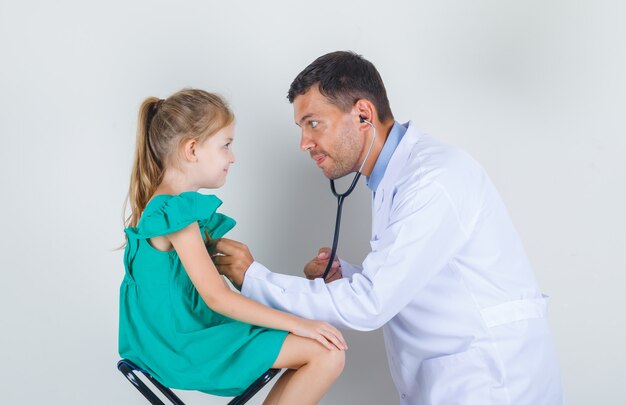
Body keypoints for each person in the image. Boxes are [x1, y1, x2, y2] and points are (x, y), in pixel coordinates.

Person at [211, 52, 565, 404]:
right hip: (460, 378)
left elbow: (372, 303)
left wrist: (253, 278)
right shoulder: (394, 178)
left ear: (363, 114)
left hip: (492, 381)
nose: (304, 142)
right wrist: (344, 276)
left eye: (313, 123)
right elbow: (415, 278)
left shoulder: (432, 179)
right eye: (301, 128)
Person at [118, 88, 347, 405]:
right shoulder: (174, 213)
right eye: (225, 145)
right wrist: (300, 323)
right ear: (193, 149)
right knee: (326, 353)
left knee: (324, 350)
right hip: (180, 347)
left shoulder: (168, 210)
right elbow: (217, 297)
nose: (232, 157)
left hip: (179, 340)